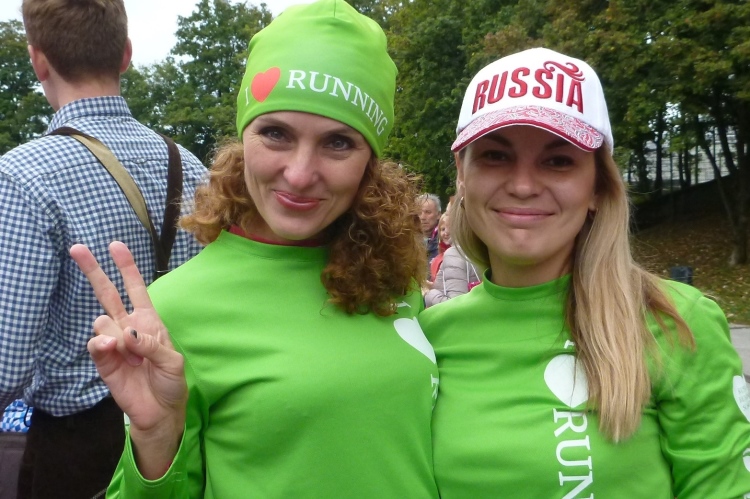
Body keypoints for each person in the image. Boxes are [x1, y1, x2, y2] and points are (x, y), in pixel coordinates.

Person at [70, 1, 439, 497]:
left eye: (337, 143)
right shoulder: (172, 311)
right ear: (243, 138)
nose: (300, 174)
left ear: (370, 160)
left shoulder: (391, 276)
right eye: (276, 134)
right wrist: (156, 438)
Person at [419, 47, 750, 497]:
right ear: (462, 173)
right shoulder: (429, 337)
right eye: (495, 156)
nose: (523, 185)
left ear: (597, 185)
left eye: (558, 161)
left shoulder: (674, 320)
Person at [0, 0, 206, 497]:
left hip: (78, 451)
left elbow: (6, 365)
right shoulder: (193, 168)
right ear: (126, 55)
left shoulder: (22, 177)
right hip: (186, 430)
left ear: (38, 61)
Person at [428, 213, 452, 283]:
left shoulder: (462, 255)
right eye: (443, 229)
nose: (446, 233)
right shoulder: (437, 259)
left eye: (450, 229)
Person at [419, 193, 442, 261]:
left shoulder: (446, 240)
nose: (422, 217)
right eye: (419, 213)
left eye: (428, 212)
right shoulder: (408, 240)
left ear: (438, 215)